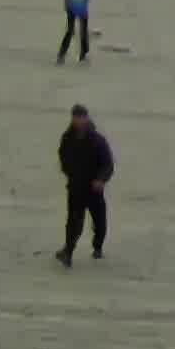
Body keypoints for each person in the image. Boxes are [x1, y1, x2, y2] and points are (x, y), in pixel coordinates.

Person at [56, 104, 112, 266]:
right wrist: (70, 174)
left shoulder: (97, 140)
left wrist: (101, 179)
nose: (78, 121)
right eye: (76, 118)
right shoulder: (67, 138)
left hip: (94, 190)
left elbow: (108, 164)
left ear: (86, 118)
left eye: (81, 118)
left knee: (100, 222)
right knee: (74, 222)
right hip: (76, 188)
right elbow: (63, 156)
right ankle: (68, 251)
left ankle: (97, 247)